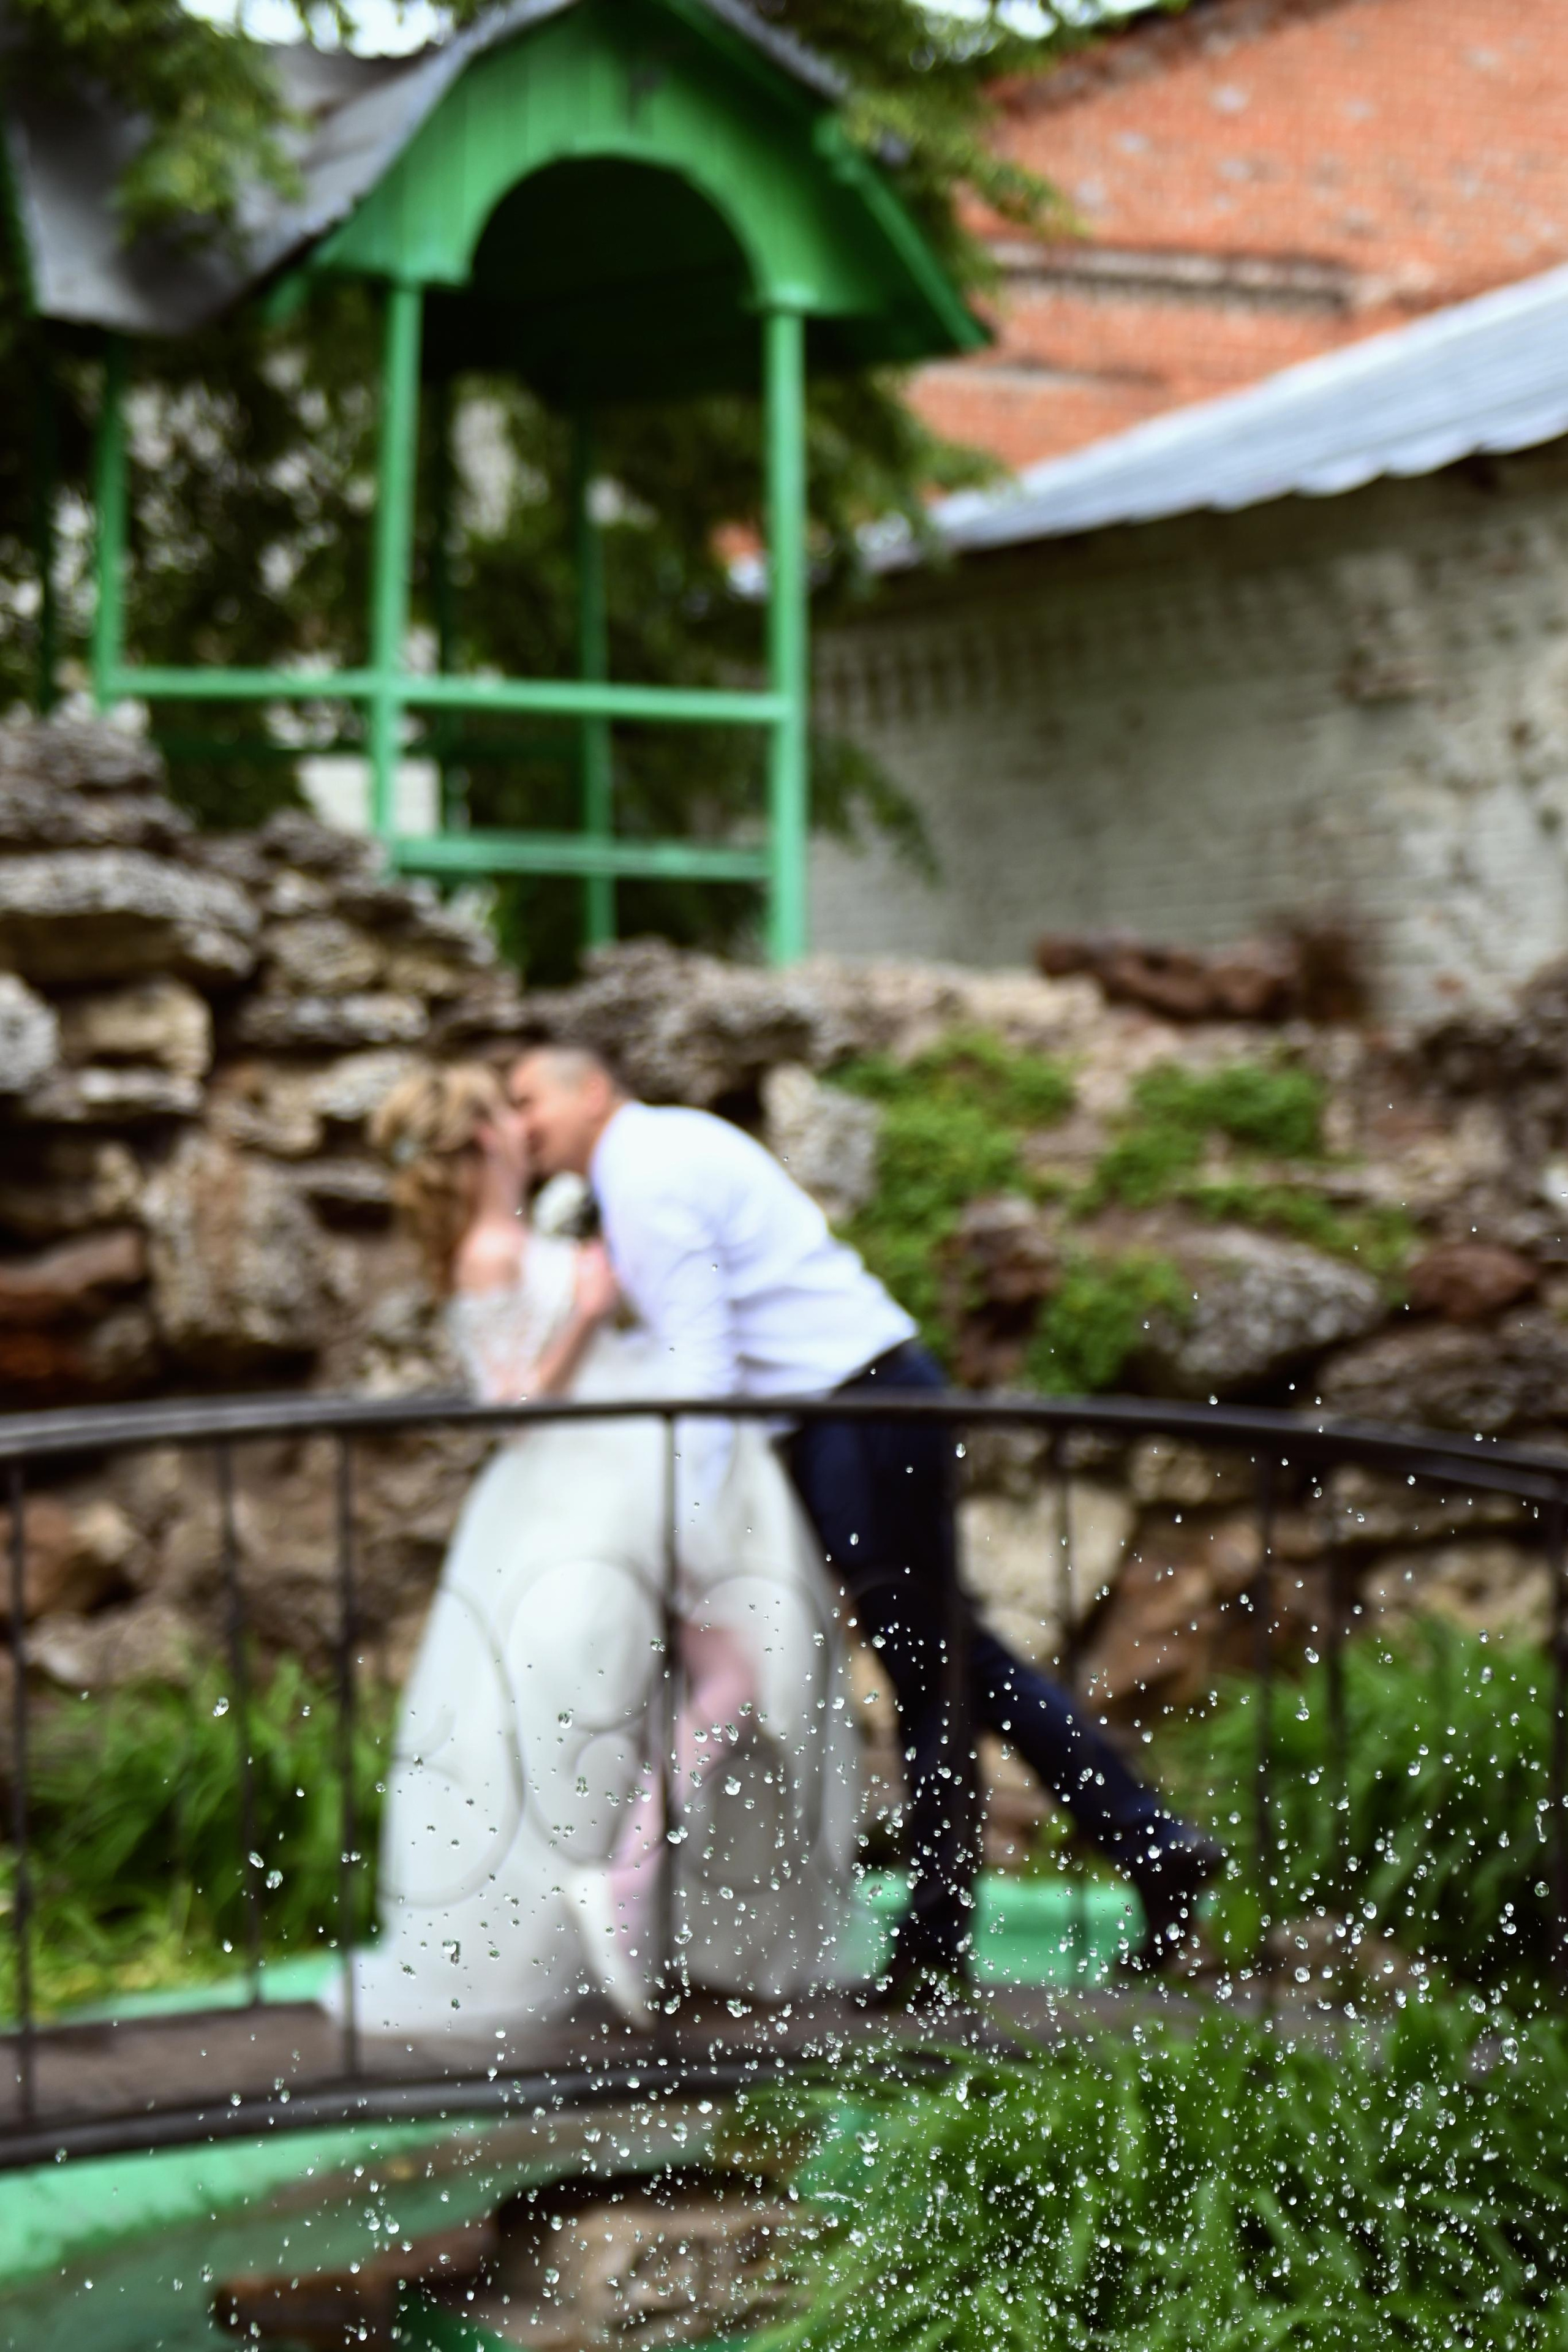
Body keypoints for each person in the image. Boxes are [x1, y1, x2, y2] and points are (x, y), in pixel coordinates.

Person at [510, 1042, 1224, 1994]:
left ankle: (946, 1940)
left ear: (591, 1088)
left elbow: (702, 1367)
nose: (519, 1126)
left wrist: (683, 1522)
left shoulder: (642, 1169)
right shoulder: (661, 1153)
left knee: (931, 1671)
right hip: (859, 1411)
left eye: (528, 1101)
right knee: (952, 1659)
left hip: (861, 1411)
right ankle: (1142, 1846)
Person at [333, 1063, 858, 2048]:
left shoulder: (534, 1227)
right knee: (650, 1694)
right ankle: (619, 1887)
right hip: (573, 1490)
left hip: (622, 1476)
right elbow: (513, 1406)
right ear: (485, 1139)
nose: (527, 1129)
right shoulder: (489, 1249)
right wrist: (583, 1305)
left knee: (717, 1681)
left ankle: (634, 1890)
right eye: (509, 1109)